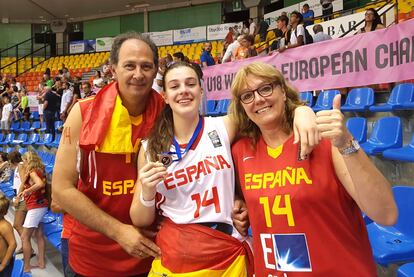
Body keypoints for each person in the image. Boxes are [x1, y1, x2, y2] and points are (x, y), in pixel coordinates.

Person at [129, 61, 318, 276]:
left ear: (200, 91)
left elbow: (265, 110)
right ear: (164, 96)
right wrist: (147, 191)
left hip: (227, 253)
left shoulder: (224, 126)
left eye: (190, 84)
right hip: (178, 258)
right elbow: (140, 219)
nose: (183, 90)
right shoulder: (150, 148)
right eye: (174, 86)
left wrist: (303, 110)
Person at [230, 62, 398, 276]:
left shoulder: (326, 140)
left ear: (283, 91)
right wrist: (238, 206)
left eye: (265, 88)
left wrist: (345, 141)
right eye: (247, 95)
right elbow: (239, 200)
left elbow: (386, 214)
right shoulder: (240, 151)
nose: (258, 99)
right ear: (242, 105)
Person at [52, 32, 165, 277]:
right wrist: (119, 232)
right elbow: (61, 189)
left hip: (154, 259)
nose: (138, 74)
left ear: (156, 70)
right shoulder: (82, 113)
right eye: (129, 65)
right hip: (92, 260)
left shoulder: (168, 115)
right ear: (113, 69)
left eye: (146, 66)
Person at [17, 151, 48, 273]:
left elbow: (39, 184)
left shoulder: (32, 171)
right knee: (39, 235)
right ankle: (41, 263)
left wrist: (27, 191)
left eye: (24, 161)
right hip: (41, 206)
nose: (23, 163)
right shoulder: (40, 170)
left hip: (36, 207)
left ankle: (26, 266)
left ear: (27, 160)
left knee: (25, 237)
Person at [0, 194, 17, 276]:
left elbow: (13, 244)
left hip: (3, 263)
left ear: (4, 213)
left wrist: (3, 265)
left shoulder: (5, 226)